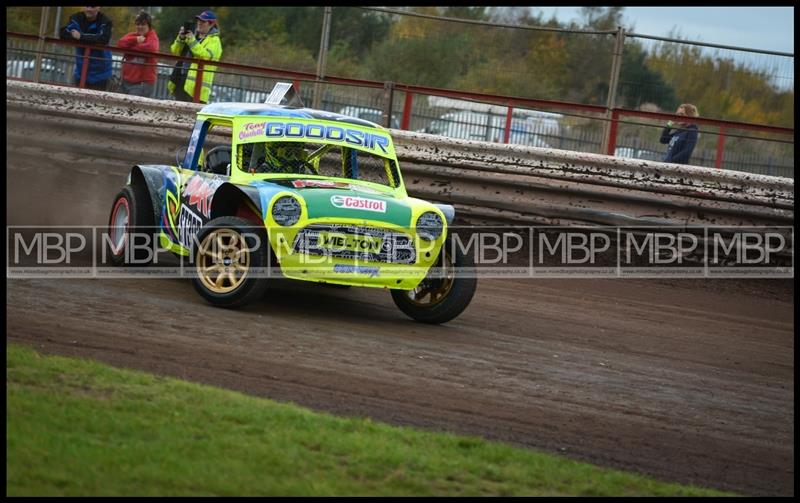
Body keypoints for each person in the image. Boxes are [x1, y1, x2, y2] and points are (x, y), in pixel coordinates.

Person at [168, 10, 222, 104]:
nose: (199, 23)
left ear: (211, 24)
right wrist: (180, 38)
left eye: (203, 21)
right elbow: (174, 50)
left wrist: (192, 40)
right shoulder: (193, 36)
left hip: (196, 89)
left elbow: (204, 56)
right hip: (180, 81)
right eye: (198, 20)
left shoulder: (215, 41)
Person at [60, 6, 113, 91]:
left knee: (97, 102)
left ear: (99, 8)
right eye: (87, 6)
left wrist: (81, 37)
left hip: (101, 73)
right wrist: (75, 36)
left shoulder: (105, 21)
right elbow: (63, 34)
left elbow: (103, 39)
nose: (89, 9)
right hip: (80, 71)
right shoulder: (76, 18)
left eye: (92, 7)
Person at [116, 11, 159, 97]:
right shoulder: (133, 35)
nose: (140, 27)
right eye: (138, 24)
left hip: (143, 84)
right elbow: (120, 43)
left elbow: (150, 48)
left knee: (131, 107)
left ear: (149, 26)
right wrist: (135, 40)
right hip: (125, 81)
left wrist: (130, 48)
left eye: (143, 24)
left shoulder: (152, 36)